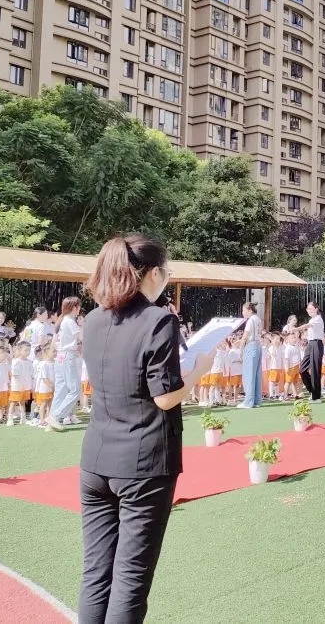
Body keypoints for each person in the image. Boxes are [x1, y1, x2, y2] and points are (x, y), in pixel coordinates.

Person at [78, 233, 212, 624]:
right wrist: (199, 372)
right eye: (165, 271)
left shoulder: (93, 319)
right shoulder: (158, 320)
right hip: (144, 463)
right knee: (131, 579)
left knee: (96, 573)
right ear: (151, 273)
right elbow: (165, 397)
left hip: (96, 458)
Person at [47, 296, 82, 432]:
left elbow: (54, 342)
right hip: (68, 355)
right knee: (74, 390)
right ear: (74, 307)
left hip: (60, 356)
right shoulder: (70, 321)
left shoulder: (61, 321)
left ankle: (52, 420)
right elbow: (81, 337)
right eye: (78, 306)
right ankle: (56, 416)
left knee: (61, 389)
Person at [294, 302, 325, 402]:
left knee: (315, 370)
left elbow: (307, 326)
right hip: (310, 344)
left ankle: (316, 397)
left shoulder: (318, 319)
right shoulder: (312, 319)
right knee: (302, 369)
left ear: (316, 309)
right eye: (307, 309)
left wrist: (296, 329)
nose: (308, 311)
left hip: (317, 344)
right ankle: (312, 390)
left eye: (311, 309)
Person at [236, 302, 264, 409]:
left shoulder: (250, 320)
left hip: (251, 346)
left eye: (244, 310)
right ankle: (256, 400)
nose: (242, 313)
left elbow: (245, 336)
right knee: (256, 374)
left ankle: (248, 401)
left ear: (249, 310)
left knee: (249, 374)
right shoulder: (258, 319)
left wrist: (241, 349)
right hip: (257, 345)